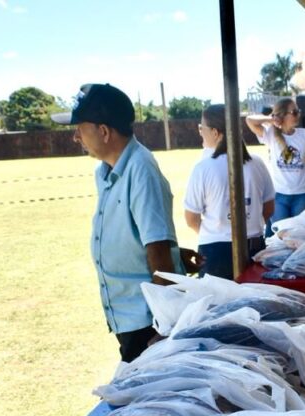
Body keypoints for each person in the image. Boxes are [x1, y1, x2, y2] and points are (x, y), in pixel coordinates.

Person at [52, 83, 183, 362]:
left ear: (103, 131)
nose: (76, 137)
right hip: (127, 315)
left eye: (80, 128)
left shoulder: (140, 168)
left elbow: (157, 248)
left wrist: (164, 326)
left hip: (146, 320)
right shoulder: (106, 172)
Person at [184, 104, 275, 279]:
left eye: (201, 128)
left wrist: (216, 230)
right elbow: (269, 207)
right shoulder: (257, 163)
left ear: (215, 132)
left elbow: (191, 218)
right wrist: (251, 223)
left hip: (215, 251)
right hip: (254, 247)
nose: (200, 132)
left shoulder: (203, 168)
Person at [246, 98, 305, 224]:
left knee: (299, 235)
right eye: (294, 112)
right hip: (278, 196)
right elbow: (249, 121)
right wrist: (271, 119)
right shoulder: (270, 133)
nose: (298, 115)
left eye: (298, 111)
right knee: (280, 237)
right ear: (282, 116)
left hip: (301, 195)